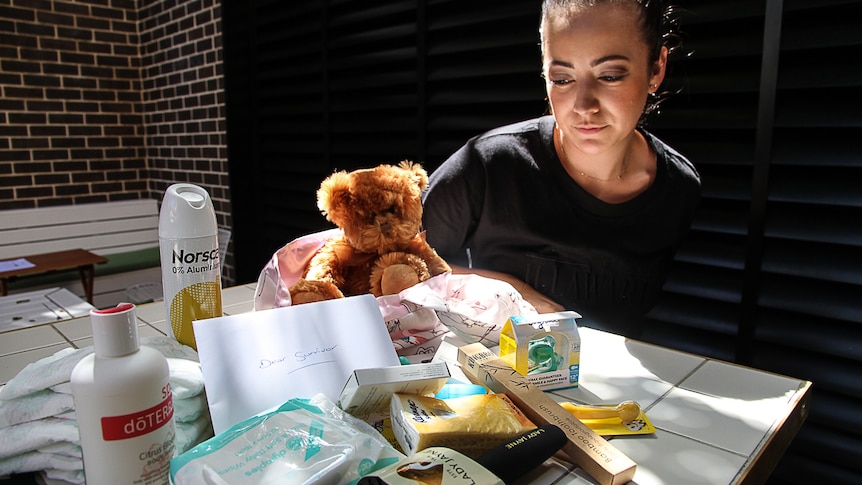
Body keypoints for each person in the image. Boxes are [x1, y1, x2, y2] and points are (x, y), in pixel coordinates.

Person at [421, 0, 701, 338]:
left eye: (610, 76)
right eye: (562, 79)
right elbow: (396, 265)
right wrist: (516, 292)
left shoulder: (678, 188)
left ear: (656, 69)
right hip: (500, 382)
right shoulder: (489, 164)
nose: (584, 105)